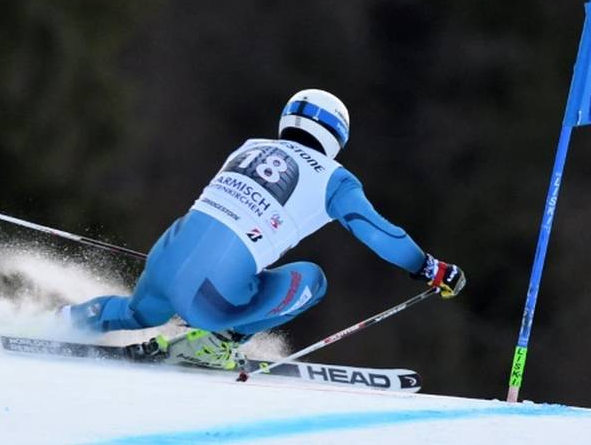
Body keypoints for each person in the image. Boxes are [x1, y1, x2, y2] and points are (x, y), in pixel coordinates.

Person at [62, 89, 465, 369]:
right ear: (338, 136)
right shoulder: (335, 178)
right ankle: (217, 343)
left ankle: (63, 322)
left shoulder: (248, 147)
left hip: (165, 257)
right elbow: (377, 233)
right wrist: (429, 268)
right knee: (314, 279)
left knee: (137, 313)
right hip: (211, 291)